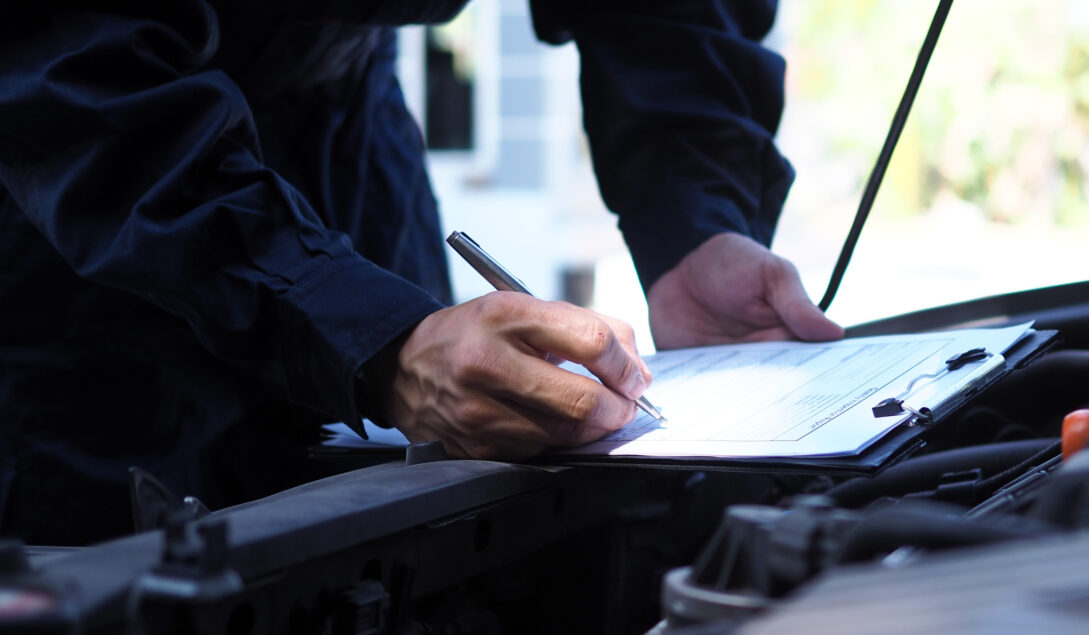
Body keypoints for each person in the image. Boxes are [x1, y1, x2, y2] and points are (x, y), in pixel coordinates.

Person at [0, 0, 843, 546]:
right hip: (76, 173)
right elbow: (63, 68)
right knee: (114, 564)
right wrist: (373, 334)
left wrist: (691, 218)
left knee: (419, 533)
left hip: (344, 117)